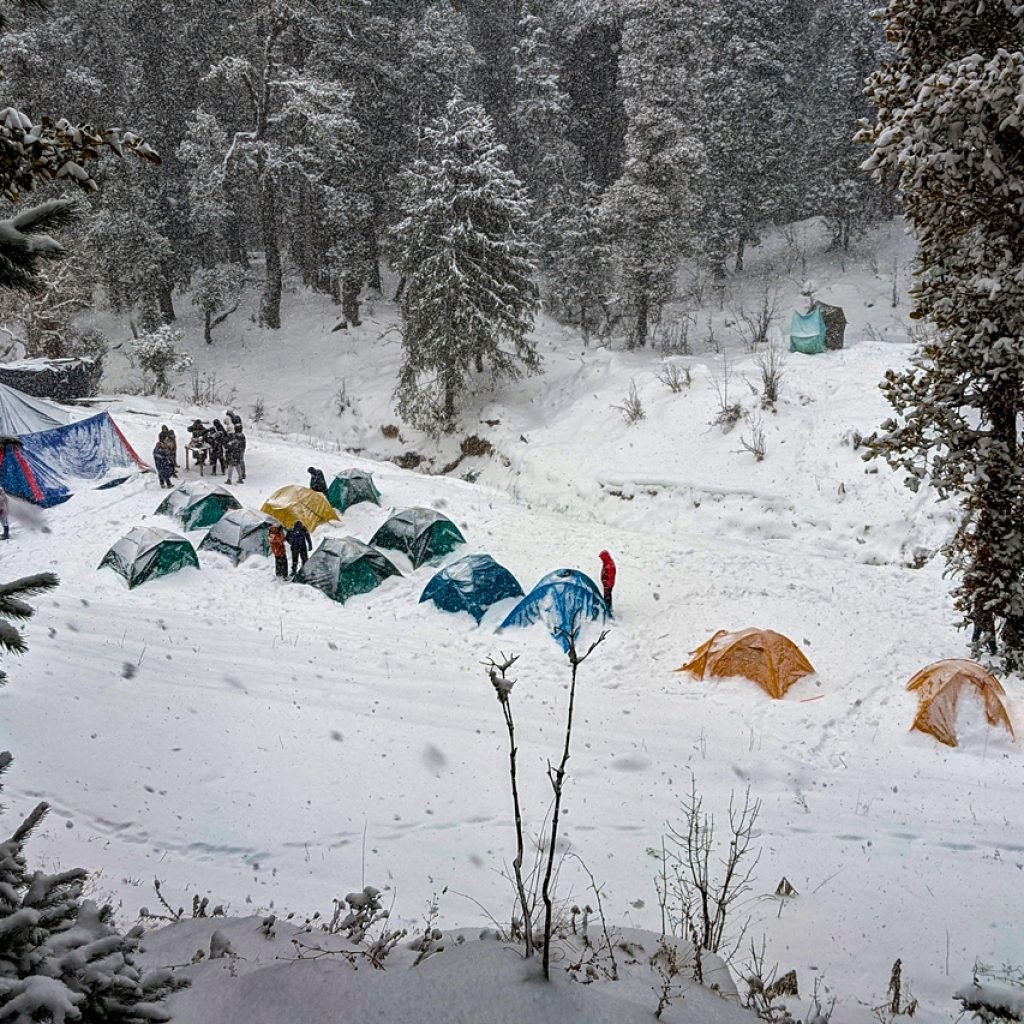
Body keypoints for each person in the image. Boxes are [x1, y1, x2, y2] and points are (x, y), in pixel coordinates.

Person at [599, 549, 616, 615]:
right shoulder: (608, 563)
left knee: (607, 597)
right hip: (607, 584)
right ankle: (608, 608)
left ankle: (608, 609)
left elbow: (610, 576)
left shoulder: (609, 565)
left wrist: (607, 584)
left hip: (608, 585)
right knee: (608, 596)